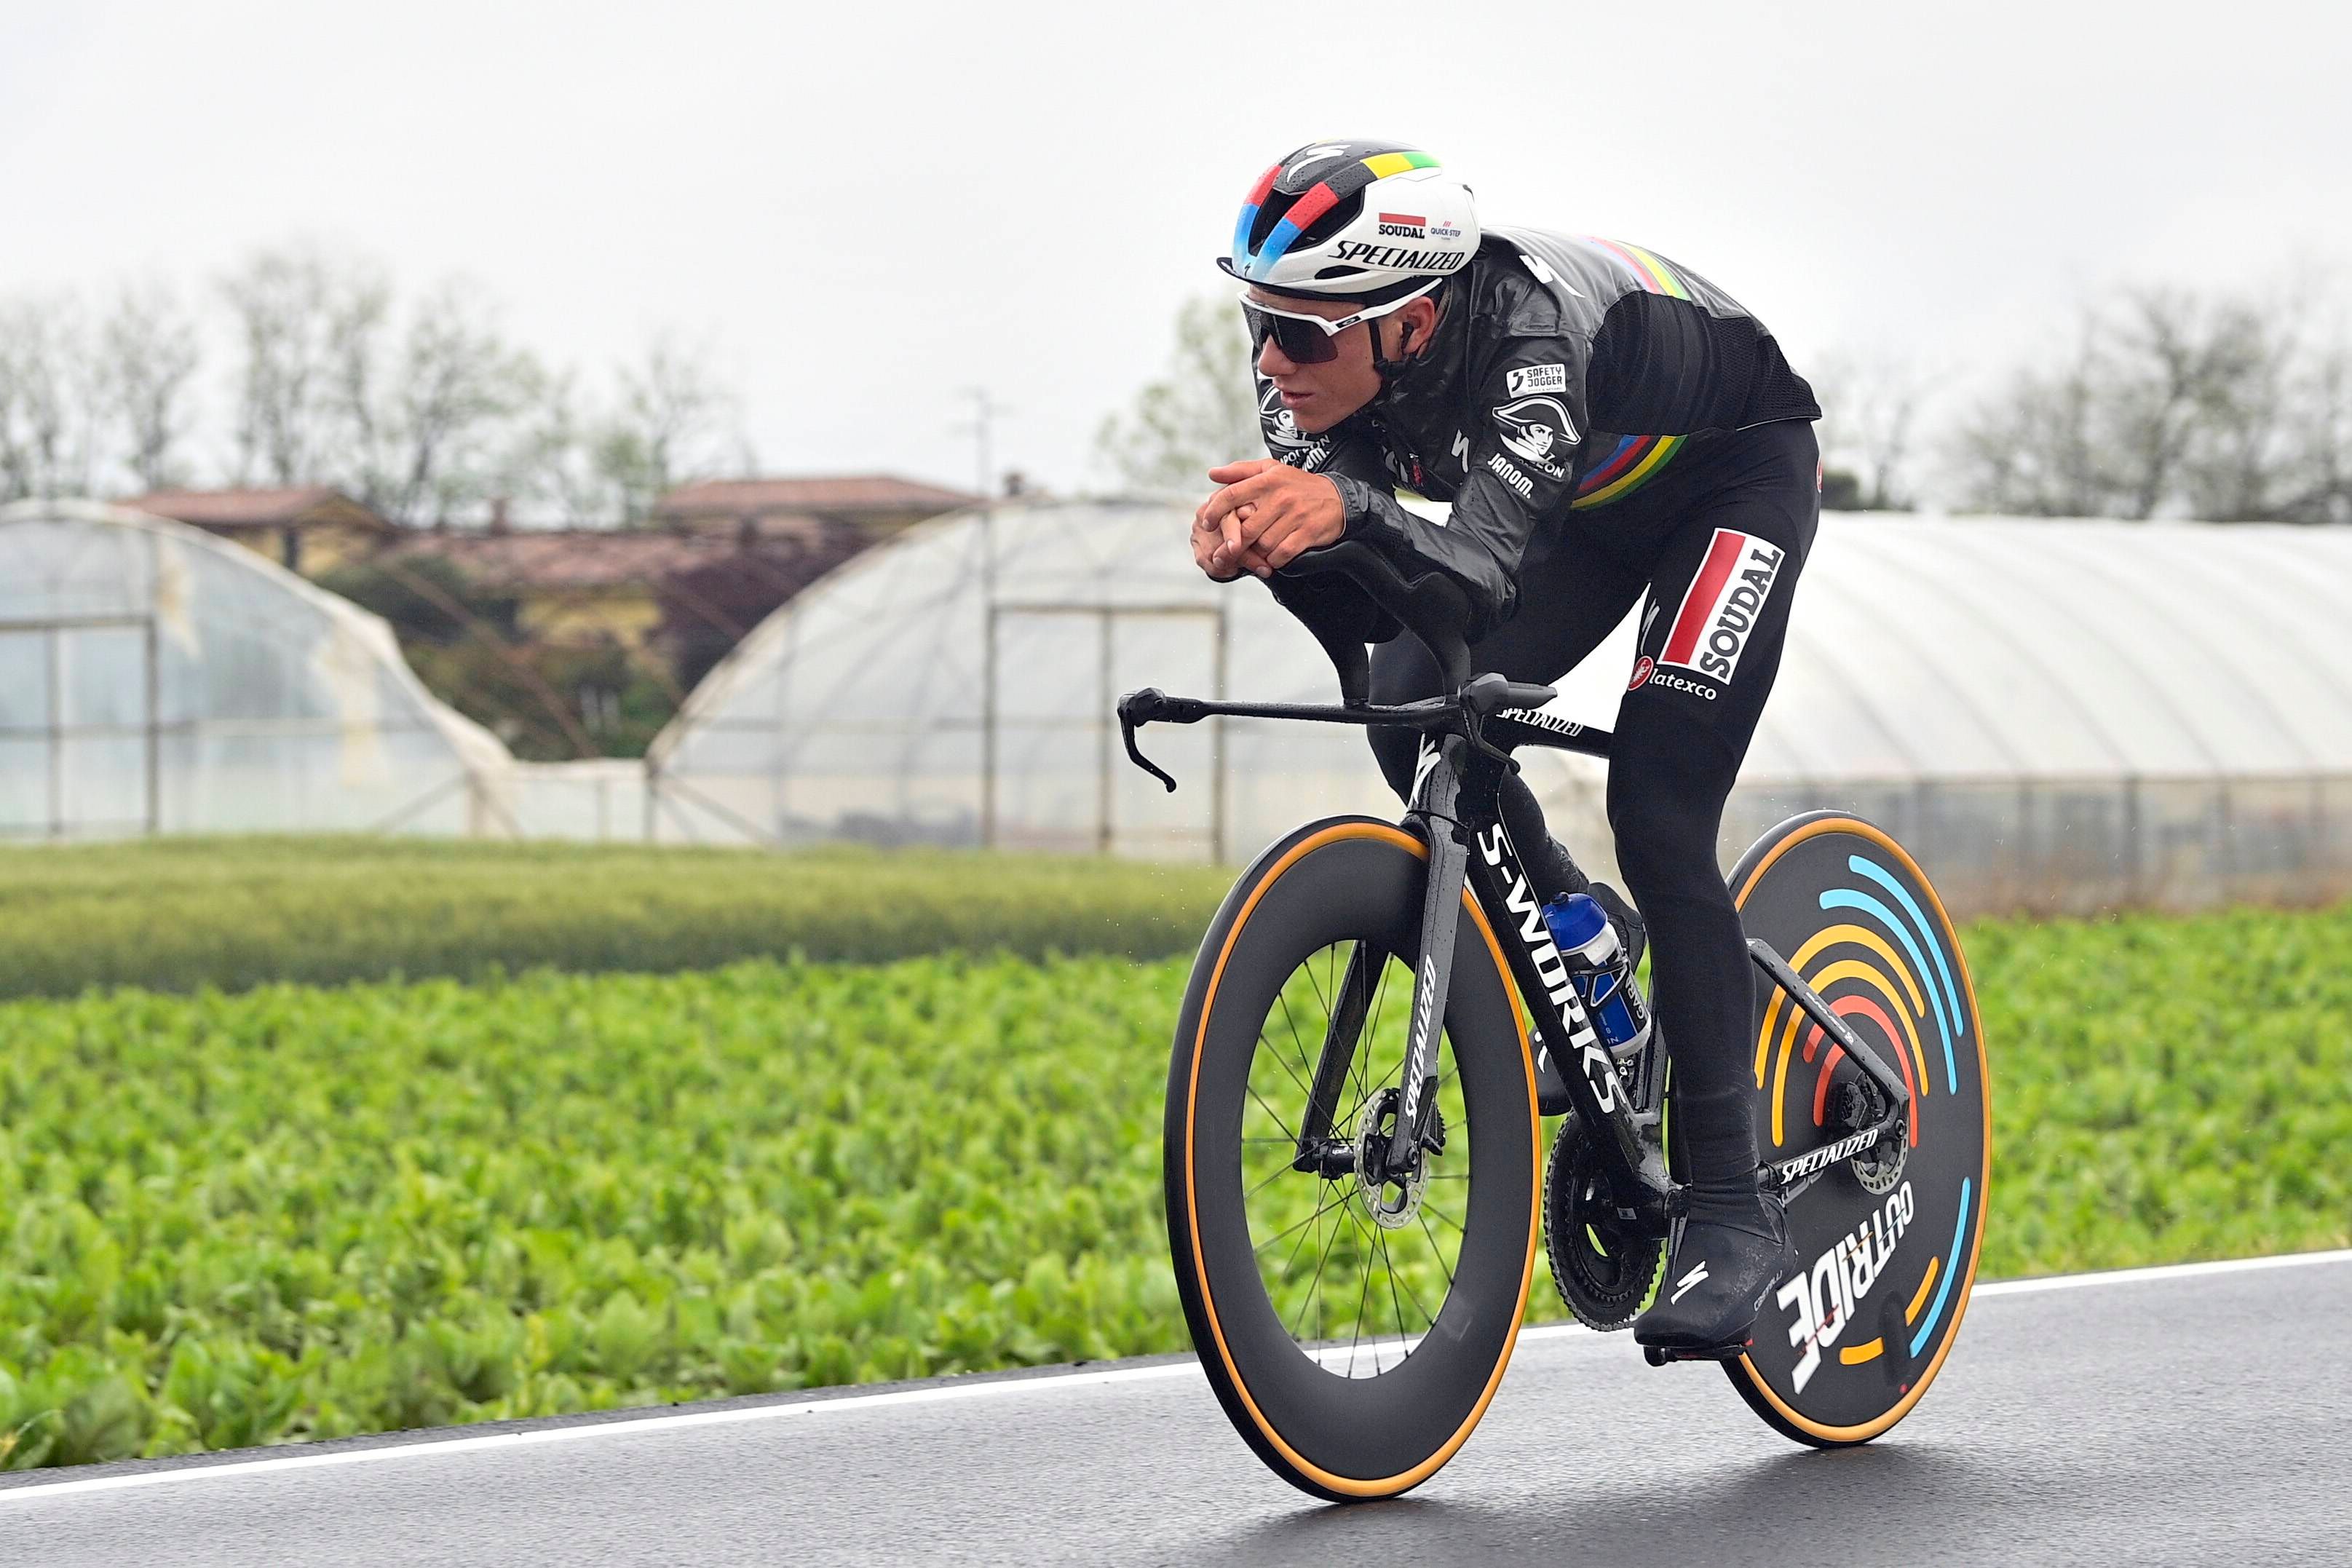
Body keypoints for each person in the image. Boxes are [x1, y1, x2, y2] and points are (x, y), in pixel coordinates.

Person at [1189, 140, 1821, 1353]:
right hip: (1586, 496)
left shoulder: (1528, 343)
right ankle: (1584, 933)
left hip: (1732, 470)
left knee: (1659, 803)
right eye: (1259, 322)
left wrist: (1348, 513)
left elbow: (1475, 565)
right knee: (1415, 705)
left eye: (1306, 336)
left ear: (1412, 321)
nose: (1273, 361)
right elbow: (1378, 625)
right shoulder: (1310, 373)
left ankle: (1735, 1214)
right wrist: (1278, 551)